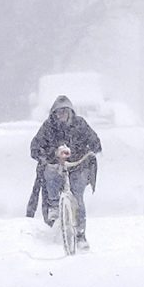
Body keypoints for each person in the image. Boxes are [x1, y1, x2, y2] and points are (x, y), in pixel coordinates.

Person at [29, 95, 102, 249]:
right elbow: (35, 147)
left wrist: (88, 153)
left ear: (70, 112)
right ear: (53, 114)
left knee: (78, 197)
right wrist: (51, 155)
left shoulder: (80, 124)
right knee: (50, 175)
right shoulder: (48, 127)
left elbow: (95, 142)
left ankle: (80, 235)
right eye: (58, 112)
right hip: (57, 166)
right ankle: (54, 206)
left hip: (78, 166)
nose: (61, 115)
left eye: (64, 111)